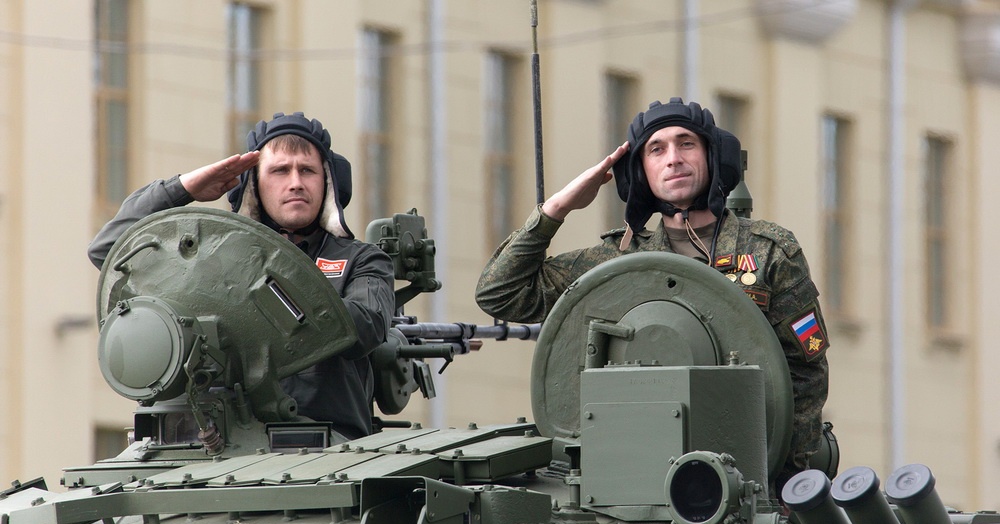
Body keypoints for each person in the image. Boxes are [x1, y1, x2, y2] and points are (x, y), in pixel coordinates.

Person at [476, 98, 829, 486]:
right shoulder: (618, 264)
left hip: (749, 474)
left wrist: (787, 475)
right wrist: (556, 210)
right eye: (656, 149)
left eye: (687, 144)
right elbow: (500, 293)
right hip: (635, 473)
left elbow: (805, 373)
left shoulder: (769, 251)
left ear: (713, 156)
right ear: (639, 171)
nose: (673, 158)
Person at [89, 112, 395, 442]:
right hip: (215, 442)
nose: (295, 182)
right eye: (279, 170)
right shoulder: (214, 256)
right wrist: (184, 188)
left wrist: (274, 289)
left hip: (325, 443)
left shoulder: (360, 260)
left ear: (328, 182)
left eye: (307, 170)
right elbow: (107, 249)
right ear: (253, 185)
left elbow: (366, 326)